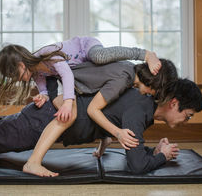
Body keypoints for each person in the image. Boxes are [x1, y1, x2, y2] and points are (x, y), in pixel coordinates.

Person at [0, 71, 202, 176]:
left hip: (46, 116)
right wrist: (163, 157)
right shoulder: (140, 109)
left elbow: (132, 147)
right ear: (174, 103)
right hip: (46, 122)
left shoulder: (141, 103)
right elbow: (136, 166)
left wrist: (154, 151)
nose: (185, 120)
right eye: (187, 115)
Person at [23, 59, 178, 177]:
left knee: (104, 107)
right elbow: (93, 109)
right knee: (69, 116)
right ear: (154, 82)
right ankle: (33, 162)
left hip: (76, 87)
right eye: (155, 92)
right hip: (60, 82)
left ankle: (105, 137)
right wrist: (117, 132)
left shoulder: (129, 78)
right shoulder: (124, 77)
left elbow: (108, 104)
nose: (152, 96)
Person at [0, 36, 161, 123]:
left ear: (21, 63)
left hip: (86, 47)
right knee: (90, 87)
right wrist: (44, 96)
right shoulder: (36, 73)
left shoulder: (47, 54)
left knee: (99, 57)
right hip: (83, 67)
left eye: (15, 74)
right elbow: (43, 88)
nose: (17, 80)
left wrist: (67, 103)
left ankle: (144, 53)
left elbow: (66, 75)